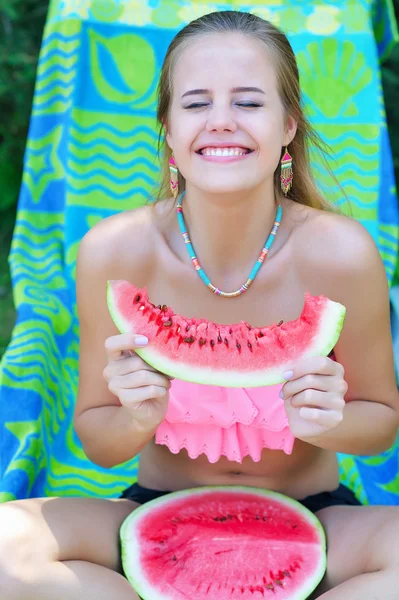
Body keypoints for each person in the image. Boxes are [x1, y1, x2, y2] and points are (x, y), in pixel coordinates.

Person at [1, 10, 399, 600]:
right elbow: (96, 439)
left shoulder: (341, 253)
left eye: (248, 102)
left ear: (288, 124)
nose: (220, 122)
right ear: (166, 126)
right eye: (194, 103)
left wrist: (333, 421)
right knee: (7, 545)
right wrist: (135, 417)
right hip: (157, 516)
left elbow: (383, 423)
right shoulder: (114, 253)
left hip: (313, 519)